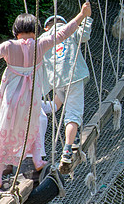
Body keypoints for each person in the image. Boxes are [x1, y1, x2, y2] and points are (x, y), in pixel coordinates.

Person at [0, 4, 91, 188]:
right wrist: (81, 15)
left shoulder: (9, 46)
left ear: (16, 31)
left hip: (9, 98)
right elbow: (64, 33)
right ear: (35, 31)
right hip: (30, 98)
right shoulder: (40, 45)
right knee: (34, 125)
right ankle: (38, 160)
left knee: (3, 130)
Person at [37, 12, 94, 166]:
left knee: (57, 104)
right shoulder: (70, 31)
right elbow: (85, 35)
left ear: (46, 27)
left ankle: (37, 107)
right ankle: (68, 150)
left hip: (57, 81)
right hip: (74, 77)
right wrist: (87, 18)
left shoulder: (42, 40)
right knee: (73, 114)